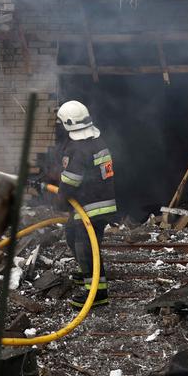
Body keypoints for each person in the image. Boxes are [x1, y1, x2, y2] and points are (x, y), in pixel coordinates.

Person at [37, 100, 117, 308]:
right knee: (72, 235)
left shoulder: (78, 148)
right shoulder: (96, 141)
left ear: (67, 123)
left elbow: (71, 182)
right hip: (98, 202)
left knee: (85, 246)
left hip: (91, 206)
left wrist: (60, 201)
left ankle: (97, 293)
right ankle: (85, 273)